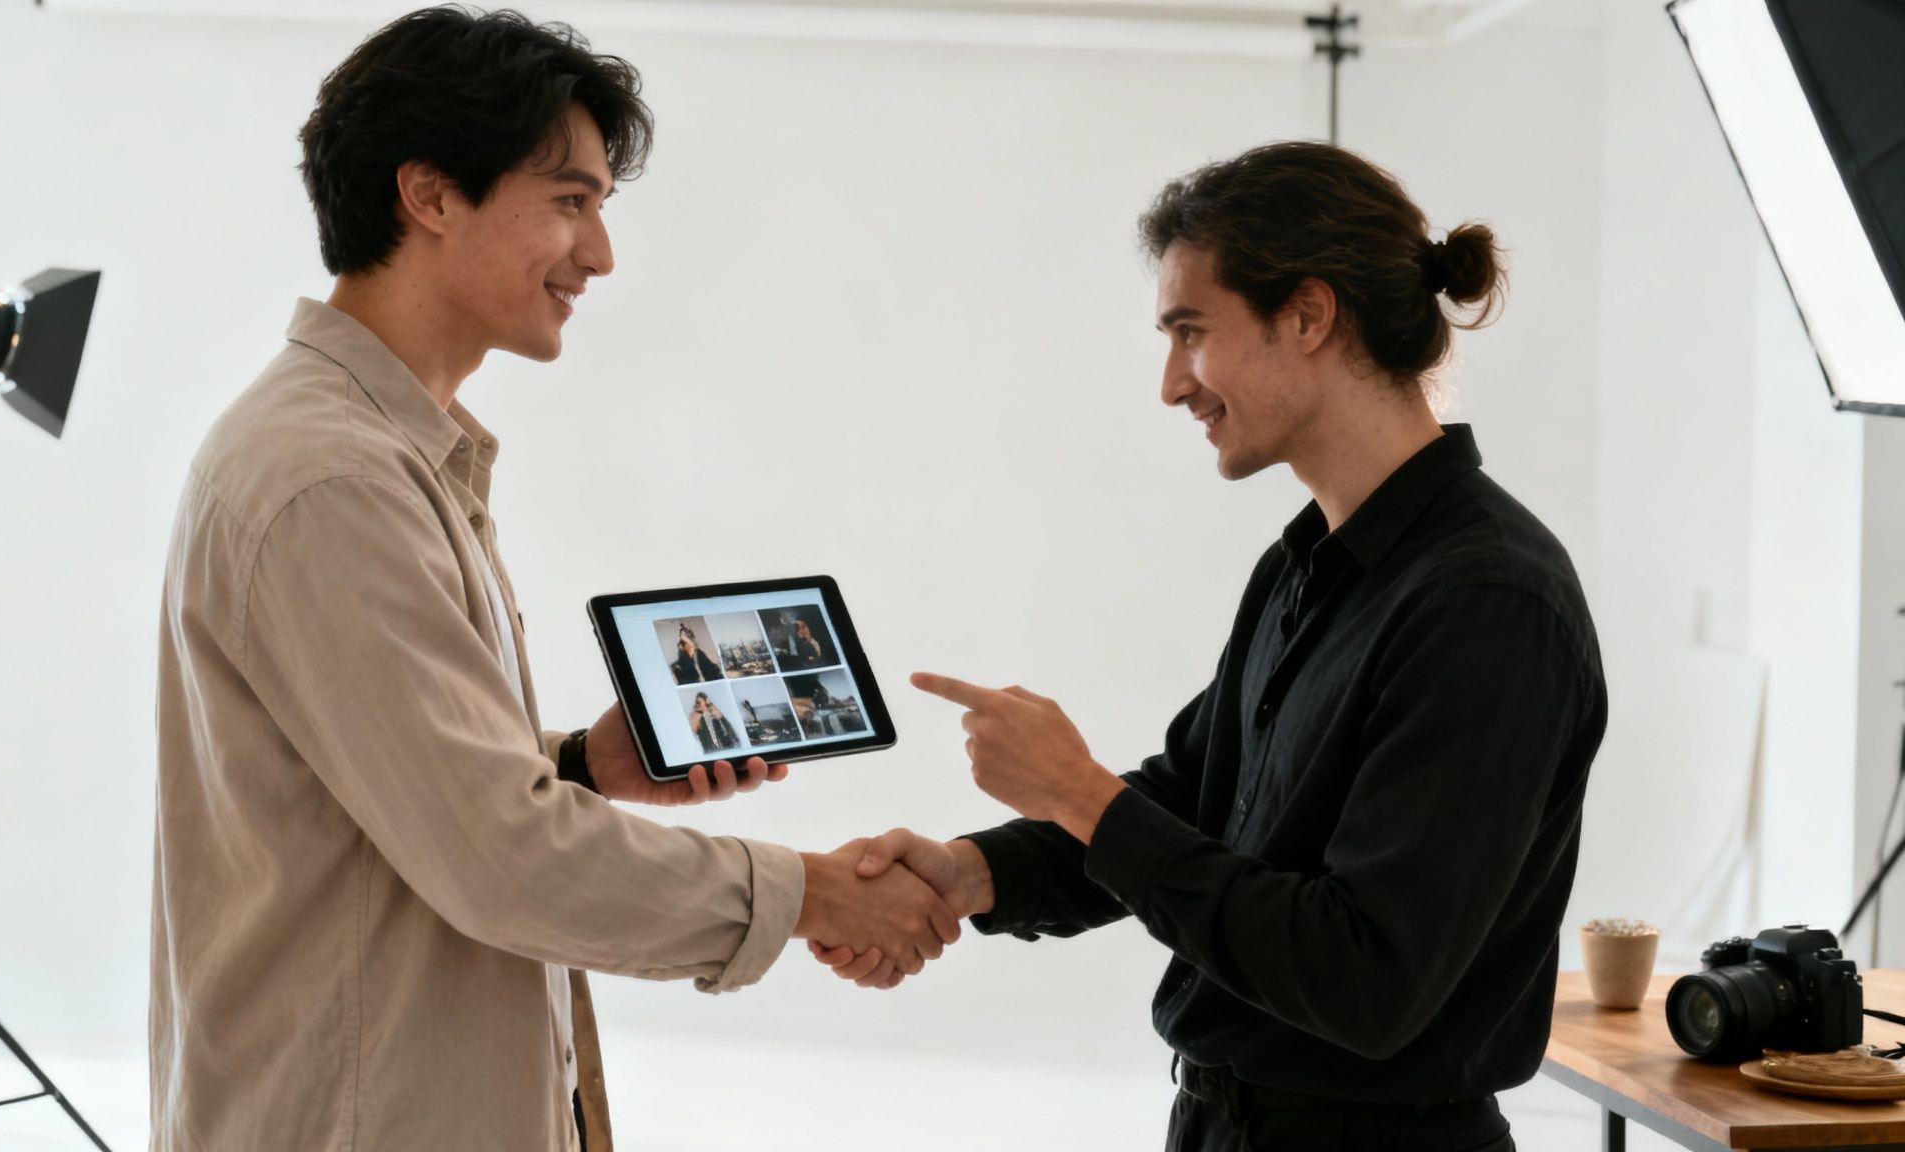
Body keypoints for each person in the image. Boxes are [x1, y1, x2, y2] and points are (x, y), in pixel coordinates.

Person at [152, 11, 958, 1152]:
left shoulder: (377, 452)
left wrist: (578, 766)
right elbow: (500, 857)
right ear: (430, 194)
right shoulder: (332, 477)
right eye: (571, 201)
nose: (600, 255)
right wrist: (813, 892)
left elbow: (386, 788)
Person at [815, 142, 1607, 1152]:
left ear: (1307, 315)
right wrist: (973, 873)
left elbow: (1365, 979)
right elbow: (1194, 802)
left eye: (1190, 331)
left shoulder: (1487, 604)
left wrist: (1077, 792)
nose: (1169, 385)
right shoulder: (1301, 566)